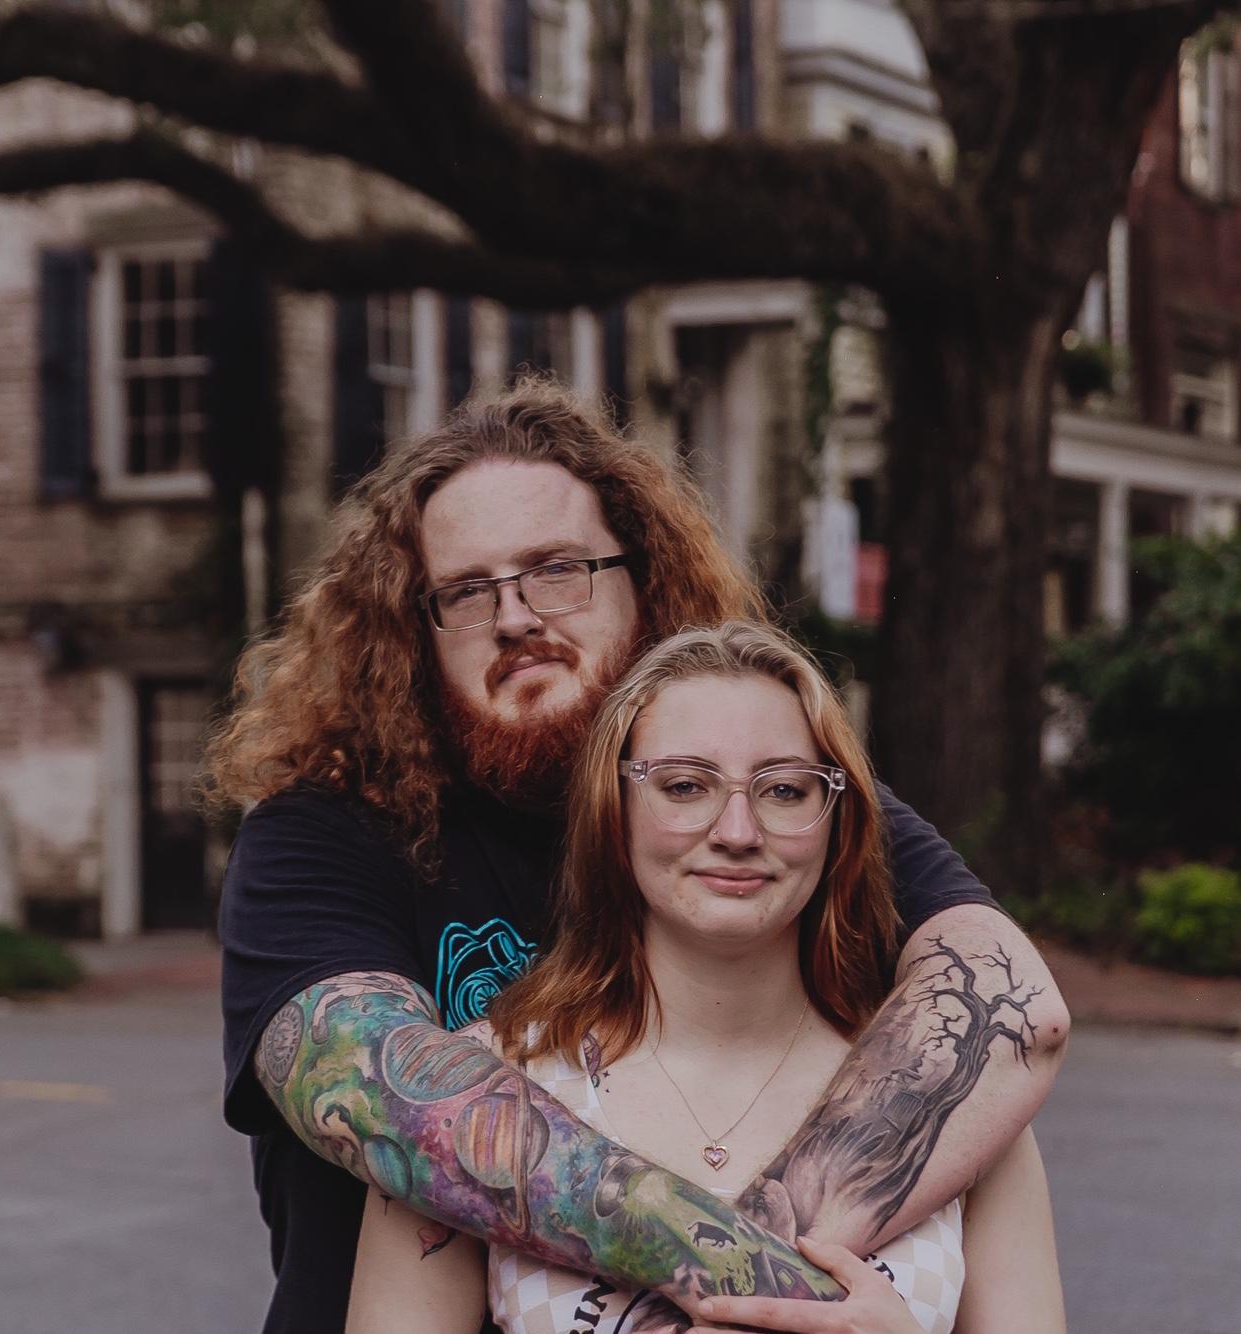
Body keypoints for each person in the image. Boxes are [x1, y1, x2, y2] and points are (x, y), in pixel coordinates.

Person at [208, 380, 1069, 1334]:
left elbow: (1011, 1011)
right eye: (465, 592)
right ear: (415, 631)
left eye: (558, 570)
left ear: (646, 583)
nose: (515, 616)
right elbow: (386, 1102)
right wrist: (756, 1290)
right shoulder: (323, 832)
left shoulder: (773, 796)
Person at [345, 622, 1066, 1333]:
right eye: (685, 786)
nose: (738, 832)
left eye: (785, 790)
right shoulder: (477, 1094)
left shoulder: (957, 1097)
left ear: (836, 820)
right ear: (613, 810)